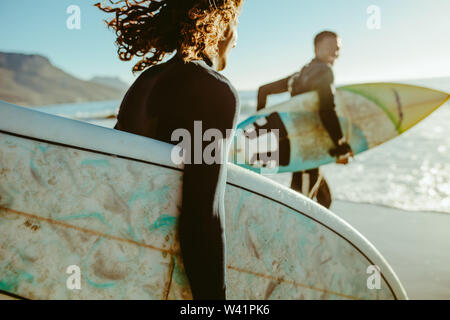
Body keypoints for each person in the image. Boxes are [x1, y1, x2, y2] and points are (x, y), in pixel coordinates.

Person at [96, 0, 243, 300]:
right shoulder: (214, 90)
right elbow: (203, 214)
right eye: (237, 24)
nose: (237, 37)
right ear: (223, 24)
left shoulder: (145, 82)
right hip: (160, 280)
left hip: (116, 267)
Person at [256, 31, 352, 209]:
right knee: (299, 210)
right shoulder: (325, 71)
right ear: (317, 48)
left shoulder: (299, 75)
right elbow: (326, 111)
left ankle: (315, 236)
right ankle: (283, 236)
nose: (336, 52)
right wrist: (340, 145)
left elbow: (263, 91)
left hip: (299, 145)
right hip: (308, 151)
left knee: (324, 200)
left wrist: (261, 129)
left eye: (338, 48)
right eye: (331, 47)